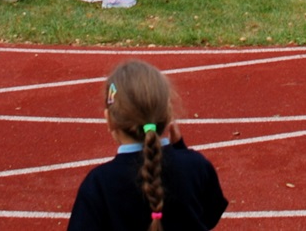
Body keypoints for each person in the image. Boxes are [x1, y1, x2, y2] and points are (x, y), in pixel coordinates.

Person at [66, 60, 227, 231]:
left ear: (109, 119)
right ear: (168, 112)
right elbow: (208, 216)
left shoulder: (98, 183)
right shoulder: (196, 166)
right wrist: (181, 150)